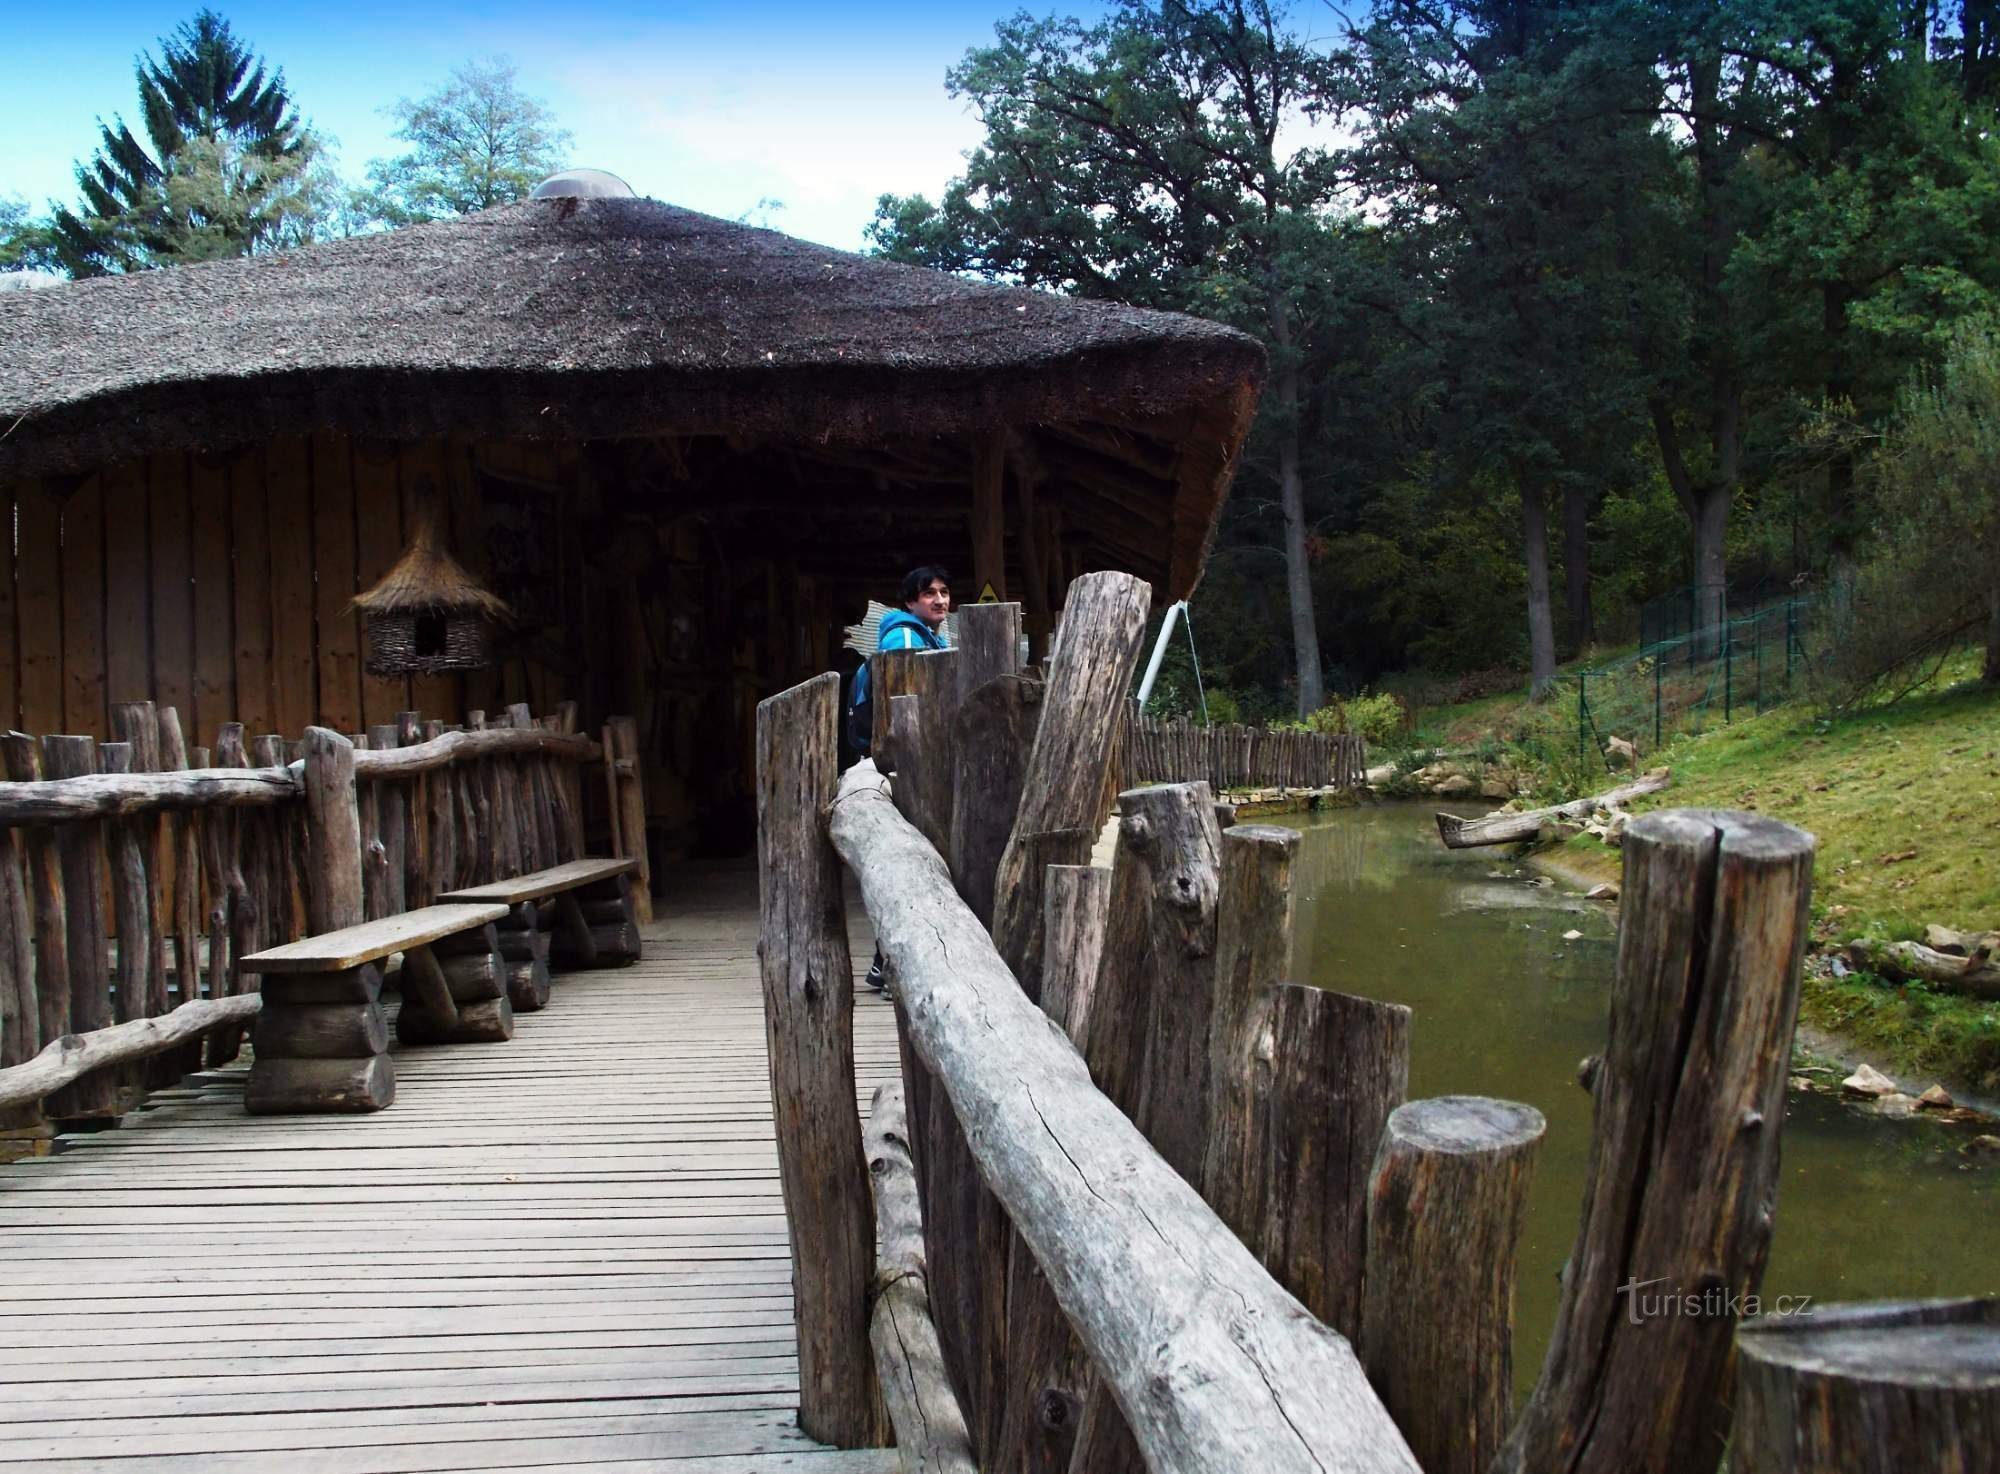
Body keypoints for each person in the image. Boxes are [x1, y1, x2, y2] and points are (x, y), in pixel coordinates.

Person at [850, 566, 952, 993]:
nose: (940, 600)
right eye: (929, 594)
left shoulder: (925, 637)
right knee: (916, 864)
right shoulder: (907, 641)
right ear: (910, 602)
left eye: (945, 592)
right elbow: (906, 709)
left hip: (908, 762)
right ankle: (894, 966)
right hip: (907, 764)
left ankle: (883, 963)